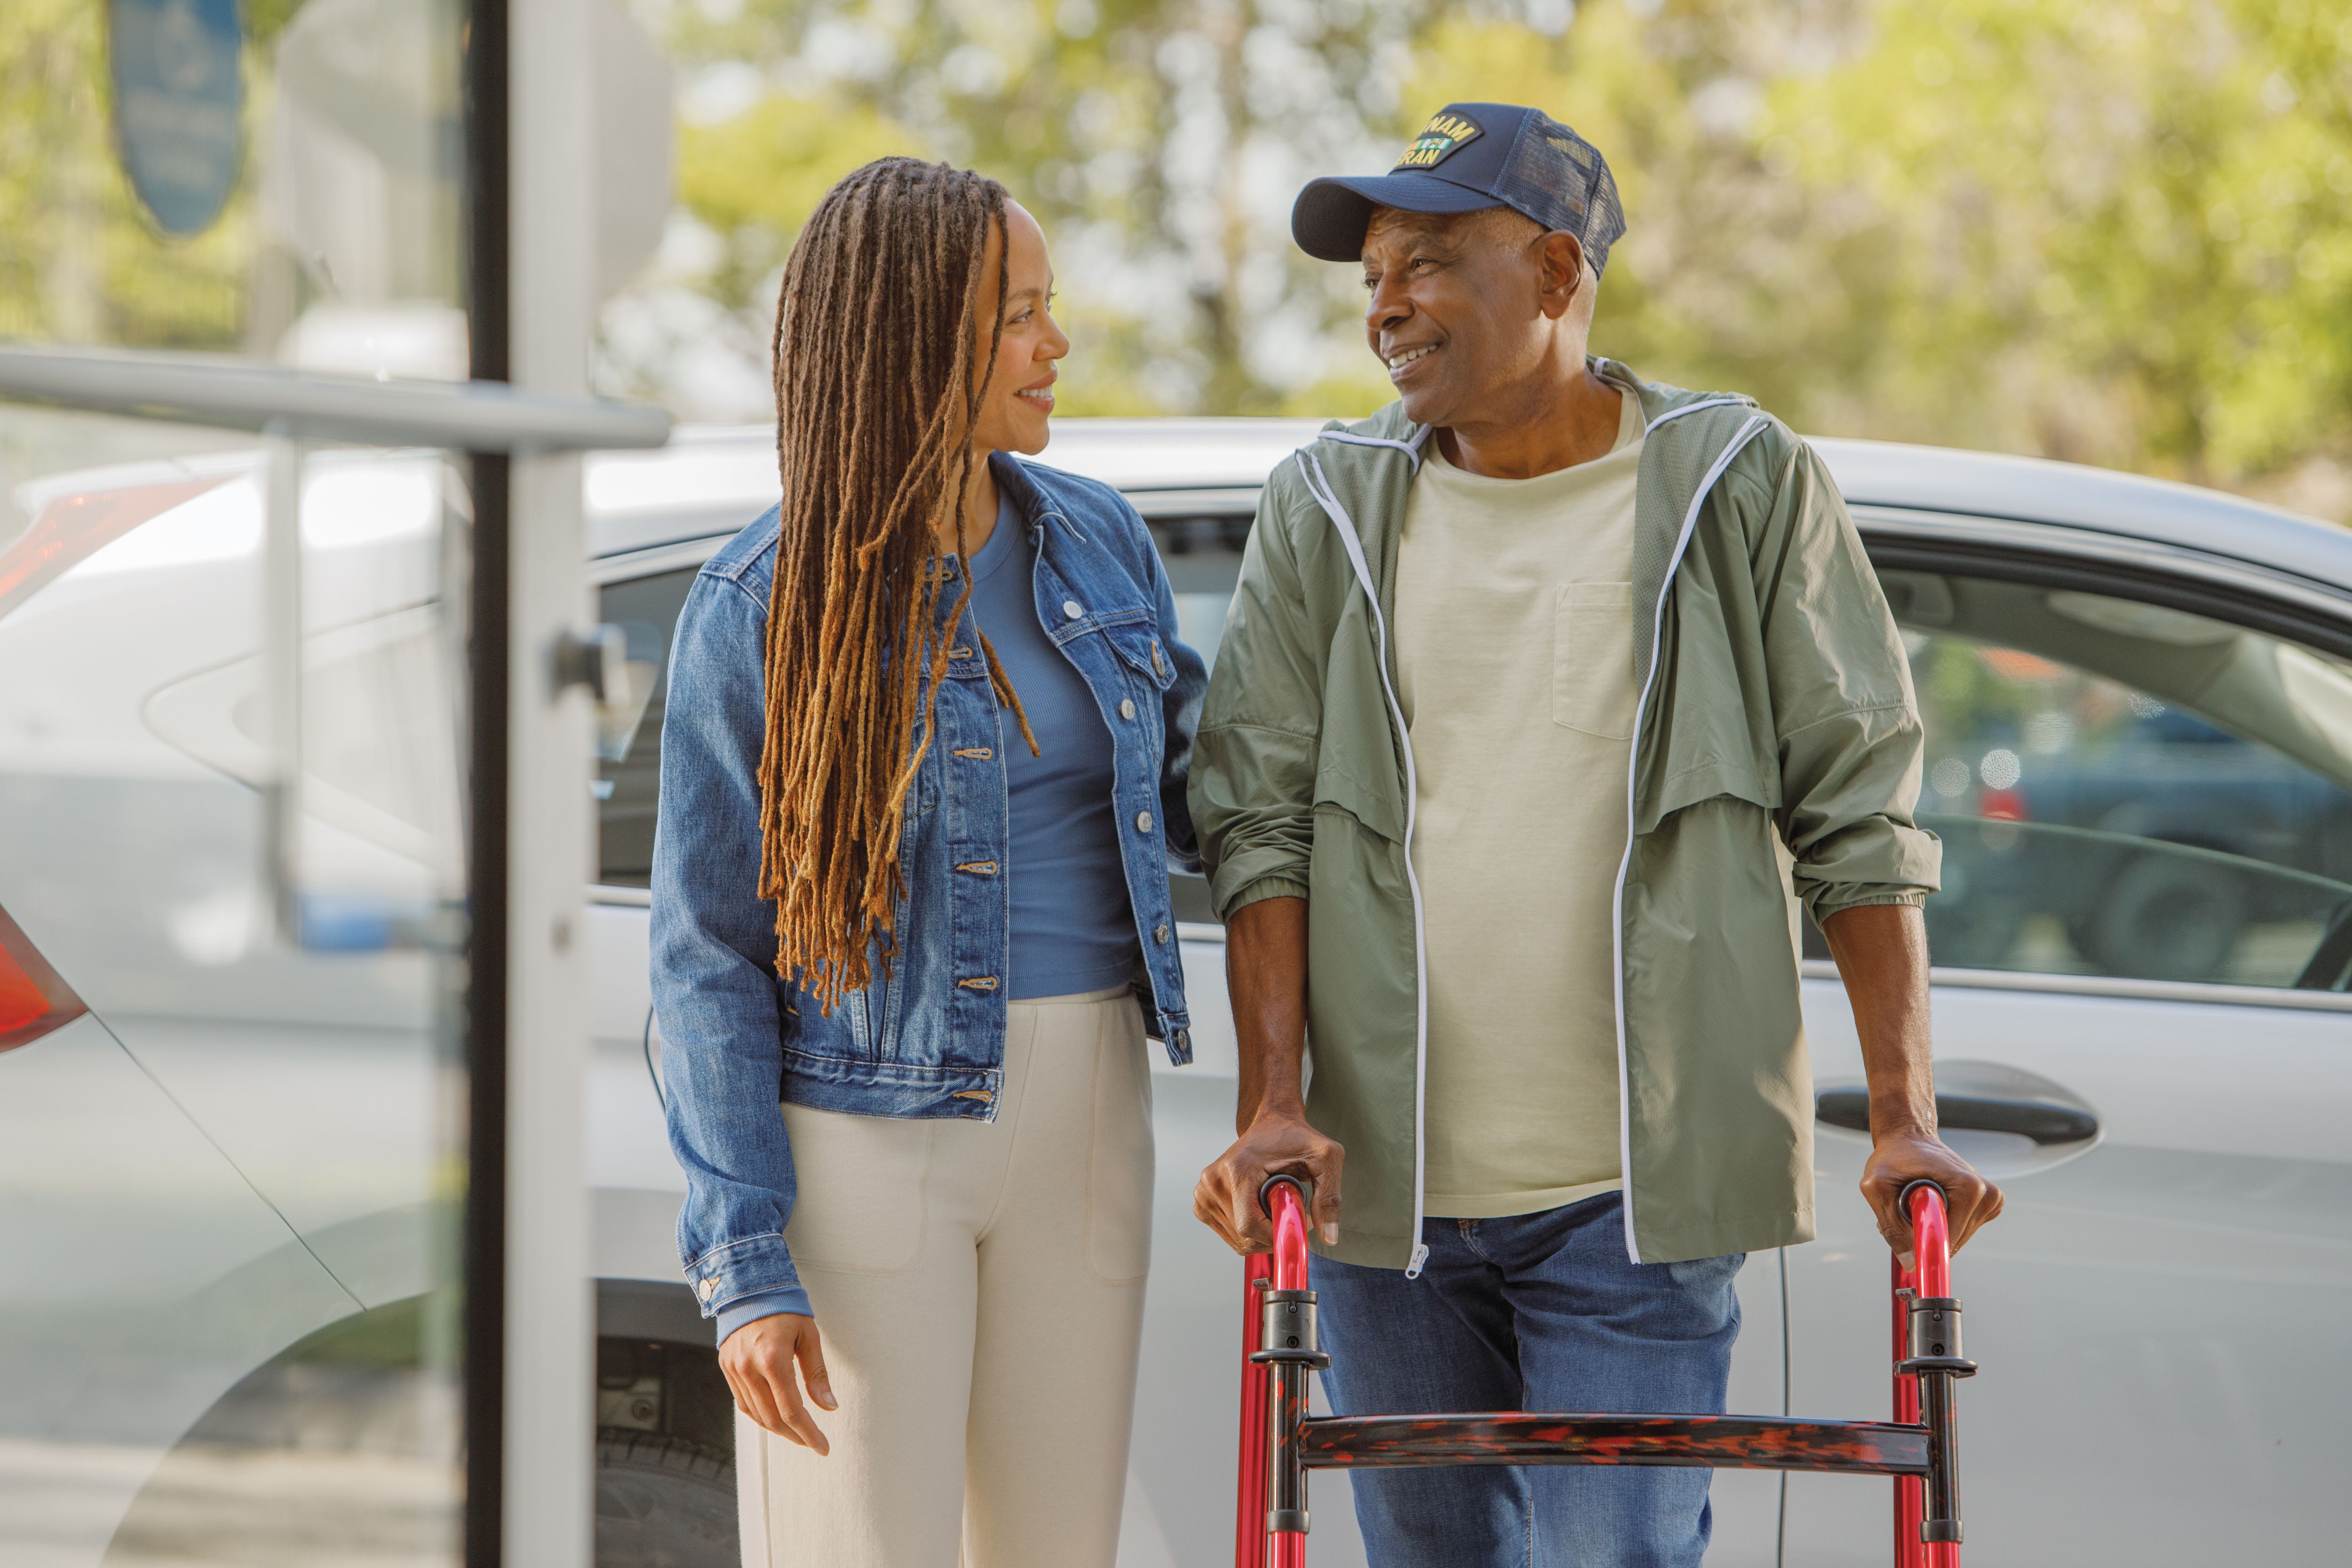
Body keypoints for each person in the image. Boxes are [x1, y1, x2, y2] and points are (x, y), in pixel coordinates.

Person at [1188, 103, 2003, 1566]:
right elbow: (1262, 819)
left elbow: (1857, 809)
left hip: (1638, 1196)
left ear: (1559, 272)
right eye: (1373, 273)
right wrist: (1270, 1104)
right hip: (1385, 1198)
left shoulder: (1734, 480)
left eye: (1429, 263)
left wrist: (1902, 1115)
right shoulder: (1328, 504)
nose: (1386, 305)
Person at [650, 156, 1205, 1568]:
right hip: (864, 1132)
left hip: (1089, 1114)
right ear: (912, 336)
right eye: (1019, 313)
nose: (1055, 343)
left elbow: (1215, 790)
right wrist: (744, 1262)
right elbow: (709, 952)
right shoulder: (765, 602)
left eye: (1049, 306)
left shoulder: (1098, 543)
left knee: (1054, 1551)